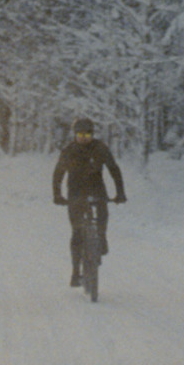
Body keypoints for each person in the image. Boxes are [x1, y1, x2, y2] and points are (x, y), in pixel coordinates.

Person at [51, 118, 126, 287]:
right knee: (77, 232)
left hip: (96, 189)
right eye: (80, 134)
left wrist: (120, 192)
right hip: (75, 193)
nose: (83, 138)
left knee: (102, 216)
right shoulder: (69, 151)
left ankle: (102, 236)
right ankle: (76, 271)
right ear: (75, 135)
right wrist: (57, 194)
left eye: (86, 134)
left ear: (92, 134)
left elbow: (113, 169)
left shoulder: (100, 149)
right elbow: (58, 173)